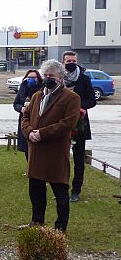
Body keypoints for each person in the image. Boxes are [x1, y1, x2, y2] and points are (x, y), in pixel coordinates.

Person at [21, 59, 81, 231]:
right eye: (45, 75)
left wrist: (42, 133)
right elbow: (25, 117)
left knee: (60, 191)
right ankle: (37, 221)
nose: (47, 78)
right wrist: (29, 131)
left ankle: (60, 227)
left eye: (51, 76)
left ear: (60, 79)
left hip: (55, 151)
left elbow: (67, 123)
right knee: (36, 190)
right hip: (36, 150)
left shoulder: (71, 98)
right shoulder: (37, 96)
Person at [62, 51, 96, 202]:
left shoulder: (84, 79)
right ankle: (60, 186)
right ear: (63, 62)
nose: (71, 63)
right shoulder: (58, 78)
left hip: (79, 123)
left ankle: (76, 190)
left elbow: (92, 100)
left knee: (78, 159)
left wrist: (79, 106)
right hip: (60, 122)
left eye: (73, 60)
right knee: (59, 157)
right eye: (68, 60)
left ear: (77, 62)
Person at [13, 69, 43, 161]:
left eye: (33, 78)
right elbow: (16, 104)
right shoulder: (23, 86)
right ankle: (29, 167)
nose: (30, 79)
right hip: (25, 119)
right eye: (29, 77)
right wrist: (21, 109)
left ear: (38, 78)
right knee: (26, 146)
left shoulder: (42, 88)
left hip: (38, 120)